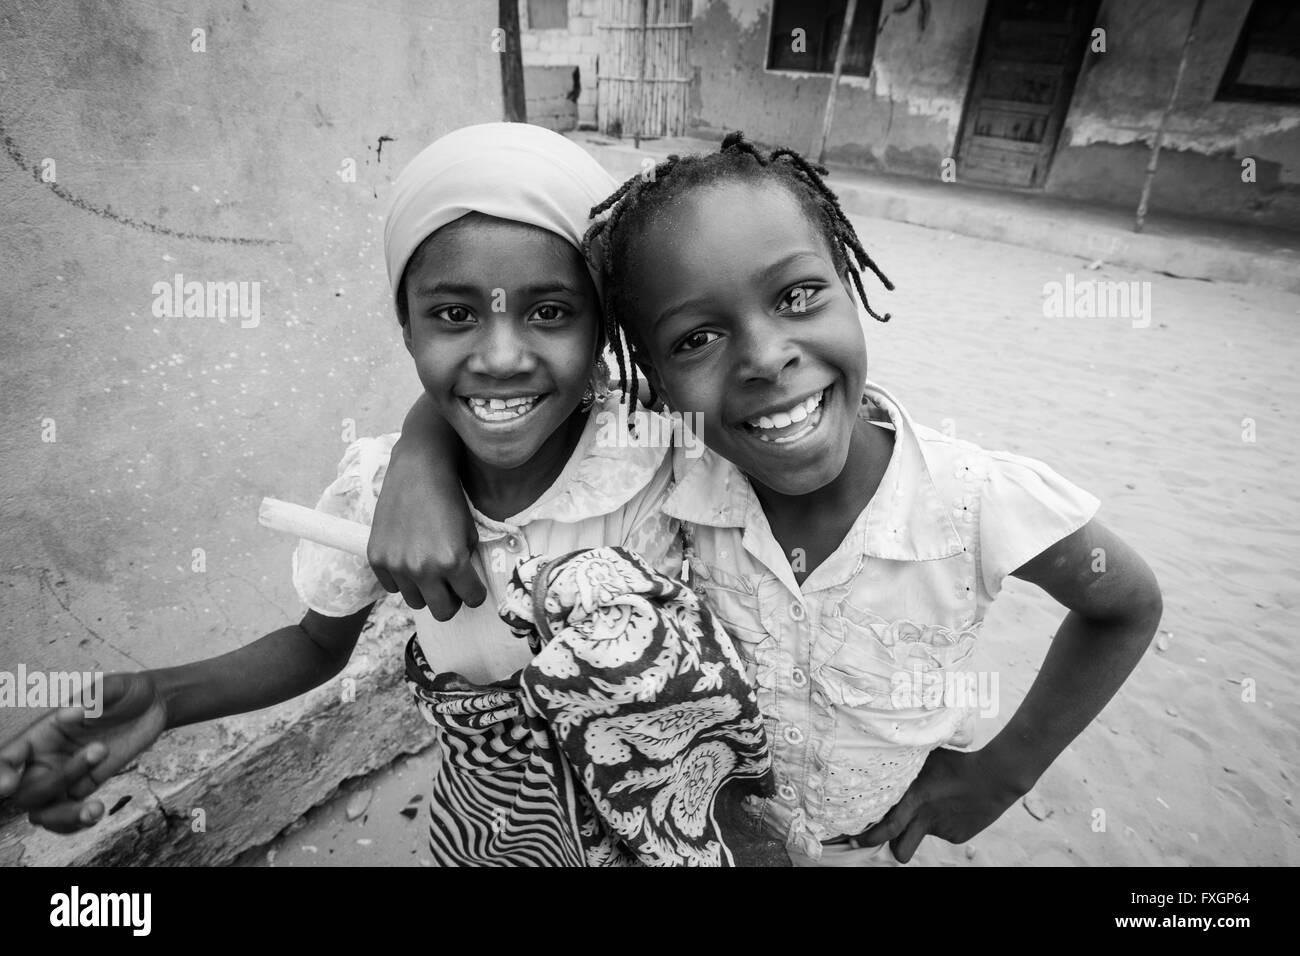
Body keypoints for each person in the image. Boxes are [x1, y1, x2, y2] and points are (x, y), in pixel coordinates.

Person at [370, 132, 1164, 866]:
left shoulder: (970, 498)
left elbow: (1125, 605)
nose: (765, 357)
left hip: (869, 845)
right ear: (649, 376)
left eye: (796, 296)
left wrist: (1006, 773)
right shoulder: (672, 461)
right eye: (696, 339)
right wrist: (421, 453)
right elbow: (520, 392)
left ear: (849, 281)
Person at [0, 124, 702, 863]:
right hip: (492, 820)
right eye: (455, 314)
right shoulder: (376, 489)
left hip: (655, 816)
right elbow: (312, 646)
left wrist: (423, 440)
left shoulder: (655, 451)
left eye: (551, 311)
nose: (500, 356)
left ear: (602, 328)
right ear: (406, 328)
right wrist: (166, 698)